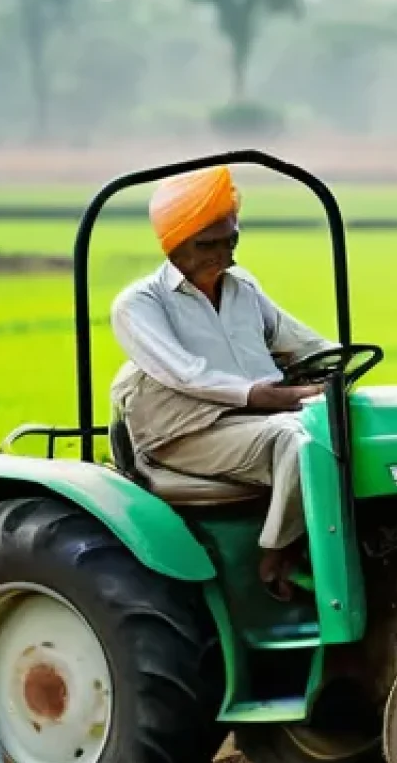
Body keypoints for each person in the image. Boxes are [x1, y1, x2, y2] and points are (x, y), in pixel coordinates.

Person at [109, 165, 337, 601]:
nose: (225, 253)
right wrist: (273, 397)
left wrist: (342, 363)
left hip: (251, 424)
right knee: (299, 439)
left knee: (340, 429)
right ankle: (275, 554)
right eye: (208, 244)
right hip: (186, 433)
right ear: (175, 246)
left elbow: (301, 341)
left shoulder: (242, 287)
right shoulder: (140, 304)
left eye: (231, 240)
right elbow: (185, 373)